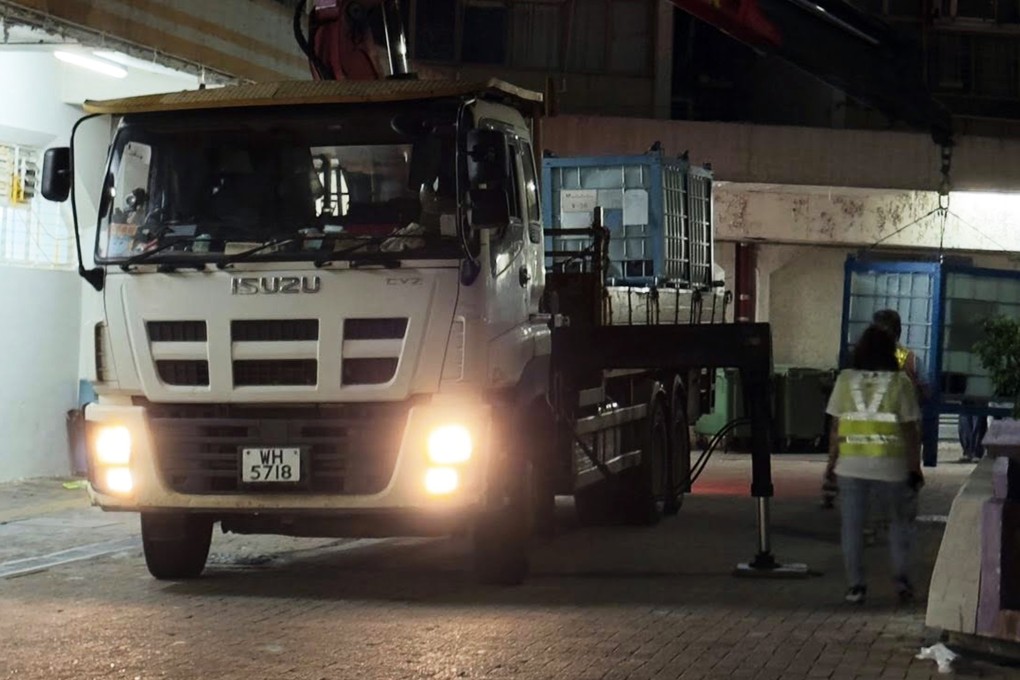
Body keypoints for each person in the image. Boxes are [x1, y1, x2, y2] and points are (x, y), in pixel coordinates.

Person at [825, 325, 924, 605]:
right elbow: (910, 430)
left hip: (851, 465)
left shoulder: (845, 380)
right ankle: (901, 580)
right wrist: (915, 466)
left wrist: (831, 463)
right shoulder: (900, 382)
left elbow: (836, 426)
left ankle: (856, 586)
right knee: (898, 523)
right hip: (891, 465)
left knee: (852, 528)